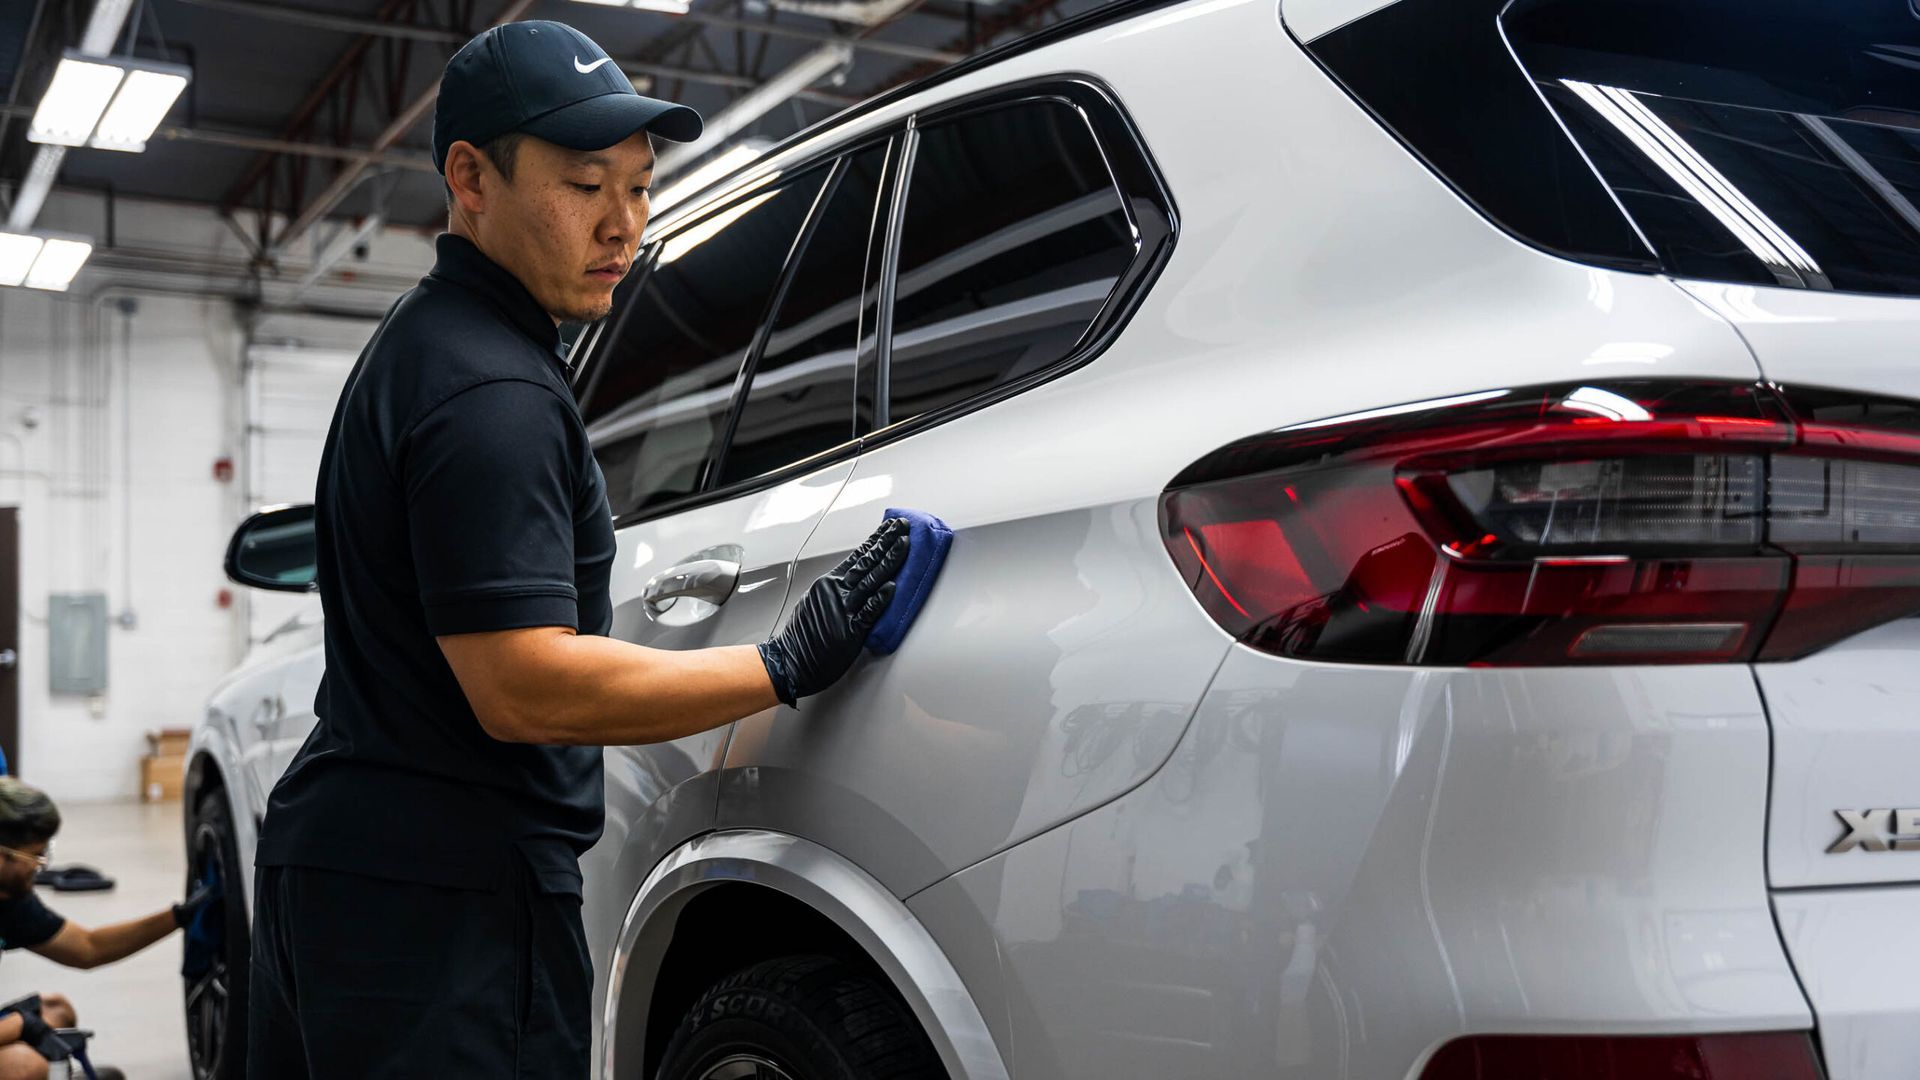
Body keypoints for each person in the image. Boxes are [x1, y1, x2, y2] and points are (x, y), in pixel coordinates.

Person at [246, 19, 912, 1079]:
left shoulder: (432, 346)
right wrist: (783, 666)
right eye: (583, 184)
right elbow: (523, 686)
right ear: (471, 176)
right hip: (443, 913)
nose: (624, 225)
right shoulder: (492, 392)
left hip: (354, 881)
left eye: (641, 187)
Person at [0, 777, 212, 1080]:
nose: (40, 866)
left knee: (57, 1011)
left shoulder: (8, 899)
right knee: (24, 1066)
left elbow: (88, 948)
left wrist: (179, 917)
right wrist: (21, 1025)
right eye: (34, 855)